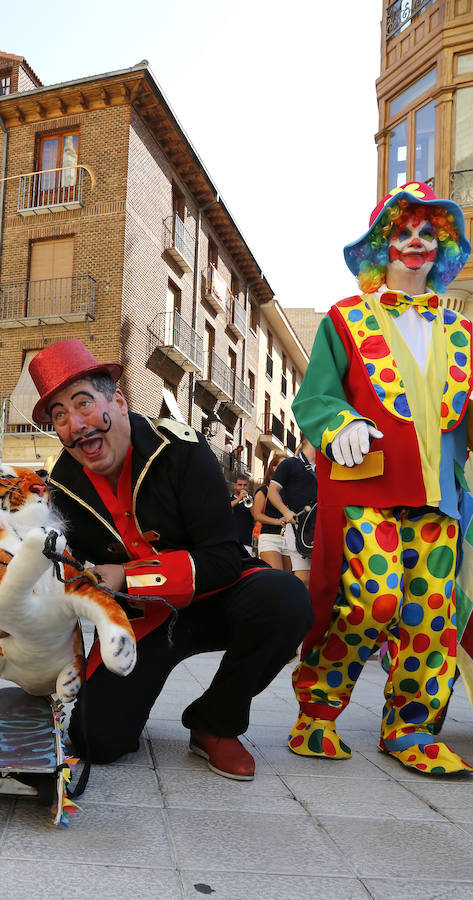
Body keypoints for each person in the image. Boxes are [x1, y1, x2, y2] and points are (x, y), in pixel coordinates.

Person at [28, 339, 313, 780]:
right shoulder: (61, 486)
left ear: (118, 401)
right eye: (59, 416)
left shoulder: (181, 449)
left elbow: (221, 559)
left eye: (83, 404)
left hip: (218, 596)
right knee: (95, 740)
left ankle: (215, 723)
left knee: (286, 599)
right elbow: (65, 575)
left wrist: (128, 576)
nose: (75, 425)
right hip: (142, 623)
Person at [288, 181, 473, 775]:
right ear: (382, 246)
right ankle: (317, 710)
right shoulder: (345, 321)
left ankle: (411, 728)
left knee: (429, 617)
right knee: (372, 599)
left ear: (440, 247)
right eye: (403, 232)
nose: (416, 242)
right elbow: (314, 397)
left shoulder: (463, 333)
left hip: (440, 497)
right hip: (369, 493)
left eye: (427, 233)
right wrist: (338, 419)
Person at [266, 440, 317, 587]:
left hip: (320, 527)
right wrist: (286, 512)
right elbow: (272, 491)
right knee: (304, 577)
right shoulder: (289, 464)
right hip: (298, 528)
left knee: (319, 576)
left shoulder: (325, 468)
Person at [253, 453, 291, 571]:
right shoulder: (264, 490)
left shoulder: (290, 491)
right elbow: (256, 514)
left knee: (289, 579)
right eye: (283, 465)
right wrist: (276, 521)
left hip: (288, 539)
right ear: (273, 468)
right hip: (269, 537)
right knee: (277, 575)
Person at [229, 473, 254, 555]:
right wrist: (239, 498)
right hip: (231, 541)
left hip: (246, 541)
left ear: (248, 486)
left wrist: (249, 501)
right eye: (240, 485)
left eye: (245, 485)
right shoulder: (229, 498)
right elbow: (226, 508)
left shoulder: (252, 500)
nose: (242, 487)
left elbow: (256, 516)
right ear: (235, 485)